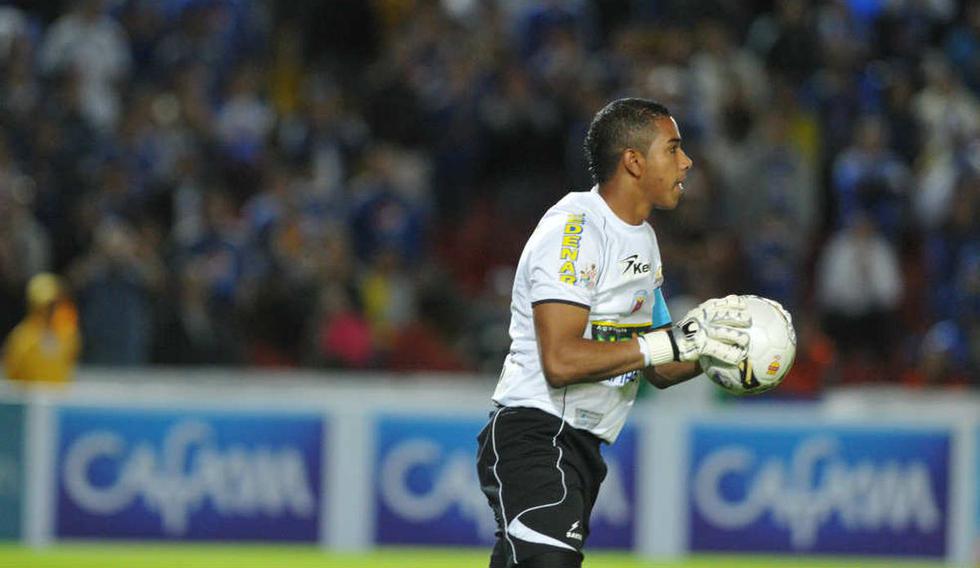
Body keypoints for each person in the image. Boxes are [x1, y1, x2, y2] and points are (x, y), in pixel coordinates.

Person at [475, 98, 751, 568]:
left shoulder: (641, 238)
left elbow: (660, 365)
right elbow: (560, 361)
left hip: (581, 445)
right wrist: (670, 342)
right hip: (537, 433)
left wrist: (715, 349)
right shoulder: (576, 228)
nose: (686, 162)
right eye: (674, 149)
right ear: (634, 161)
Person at [2, 272, 80, 385]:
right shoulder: (22, 337)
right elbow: (13, 373)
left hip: (60, 399)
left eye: (54, 305)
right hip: (28, 400)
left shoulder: (66, 333)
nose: (51, 311)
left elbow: (69, 362)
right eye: (47, 306)